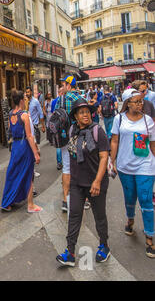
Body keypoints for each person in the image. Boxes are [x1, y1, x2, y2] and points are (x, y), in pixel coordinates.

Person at [56, 99, 111, 266]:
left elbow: (104, 157)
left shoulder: (97, 131)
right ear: (75, 116)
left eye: (87, 111)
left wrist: (97, 181)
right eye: (81, 112)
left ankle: (104, 246)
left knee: (99, 216)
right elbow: (68, 153)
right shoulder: (72, 130)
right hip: (77, 183)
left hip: (96, 182)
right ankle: (70, 252)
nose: (85, 114)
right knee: (74, 215)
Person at [110, 88, 155, 258]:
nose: (140, 104)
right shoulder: (118, 118)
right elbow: (114, 141)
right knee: (130, 198)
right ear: (127, 103)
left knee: (145, 200)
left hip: (146, 165)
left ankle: (149, 236)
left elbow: (153, 144)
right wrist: (111, 161)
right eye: (136, 101)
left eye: (141, 101)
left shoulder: (148, 120)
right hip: (125, 166)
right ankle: (130, 220)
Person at [1, 89, 42, 213]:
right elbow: (30, 136)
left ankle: (7, 201)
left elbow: (10, 131)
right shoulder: (24, 115)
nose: (25, 101)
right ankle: (30, 205)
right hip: (25, 146)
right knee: (28, 174)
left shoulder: (10, 114)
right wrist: (35, 153)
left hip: (16, 146)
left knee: (13, 173)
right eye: (24, 99)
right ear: (20, 101)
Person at [55, 75, 83, 212]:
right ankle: (83, 199)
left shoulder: (58, 100)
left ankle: (65, 200)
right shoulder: (78, 99)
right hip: (77, 136)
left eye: (63, 84)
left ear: (69, 85)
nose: (62, 87)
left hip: (63, 137)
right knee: (80, 165)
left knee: (66, 167)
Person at [51, 87, 65, 170]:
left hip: (57, 125)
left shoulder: (54, 101)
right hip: (65, 125)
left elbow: (53, 112)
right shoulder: (65, 100)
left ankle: (59, 162)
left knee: (58, 145)